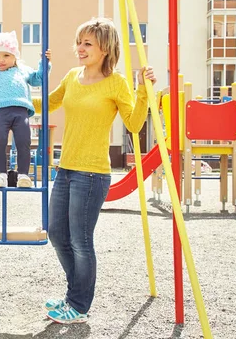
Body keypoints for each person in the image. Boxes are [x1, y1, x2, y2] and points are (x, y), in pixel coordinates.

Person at [34, 18, 157, 324]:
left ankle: (78, 304)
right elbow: (47, 104)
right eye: (79, 42)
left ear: (105, 48)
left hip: (92, 174)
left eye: (87, 43)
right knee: (56, 233)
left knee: (80, 239)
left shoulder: (116, 83)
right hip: (65, 169)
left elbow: (133, 124)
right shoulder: (73, 77)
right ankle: (75, 295)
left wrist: (144, 91)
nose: (80, 48)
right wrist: (9, 98)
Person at [0, 30, 51, 188]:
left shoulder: (23, 70)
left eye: (6, 55)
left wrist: (44, 63)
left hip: (21, 112)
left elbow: (39, 79)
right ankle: (1, 174)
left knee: (23, 142)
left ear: (15, 57)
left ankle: (23, 175)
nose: (1, 60)